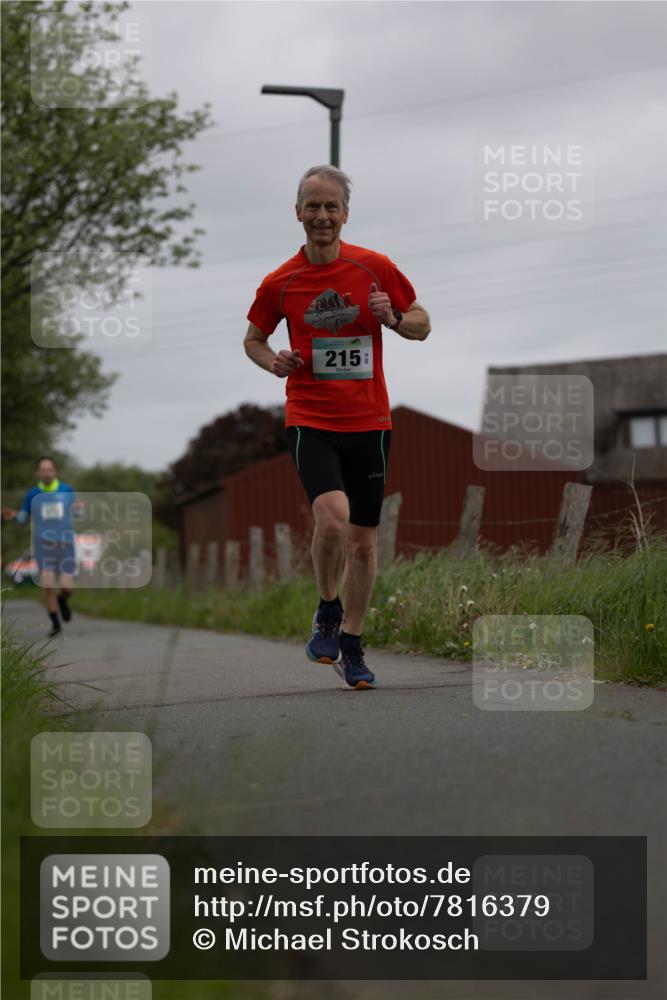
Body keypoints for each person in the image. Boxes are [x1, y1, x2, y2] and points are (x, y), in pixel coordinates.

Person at [244, 165, 430, 690]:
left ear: (345, 214)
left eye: (331, 207)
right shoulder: (280, 282)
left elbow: (422, 323)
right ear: (297, 212)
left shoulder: (375, 268)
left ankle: (351, 639)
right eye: (312, 206)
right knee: (332, 519)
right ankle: (328, 607)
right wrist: (273, 361)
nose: (321, 216)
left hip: (369, 421)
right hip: (310, 418)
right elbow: (253, 341)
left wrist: (391, 318)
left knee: (366, 544)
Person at [2, 456, 78, 637]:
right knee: (48, 584)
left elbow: (77, 512)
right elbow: (23, 518)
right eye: (43, 470)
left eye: (49, 470)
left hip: (65, 543)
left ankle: (62, 600)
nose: (46, 473)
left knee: (67, 587)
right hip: (43, 545)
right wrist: (13, 515)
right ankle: (55, 624)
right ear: (38, 473)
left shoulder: (67, 490)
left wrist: (80, 509)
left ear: (54, 471)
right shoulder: (32, 494)